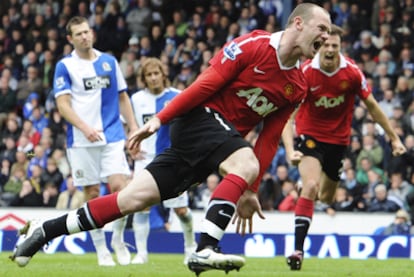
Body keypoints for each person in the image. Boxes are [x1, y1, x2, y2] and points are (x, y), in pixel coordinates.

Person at [11, 3, 332, 275]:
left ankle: (44, 231)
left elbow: (269, 138)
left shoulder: (297, 86)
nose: (326, 37)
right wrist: (159, 120)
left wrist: (251, 188)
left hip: (218, 142)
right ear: (298, 23)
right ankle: (206, 247)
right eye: (322, 27)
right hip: (196, 119)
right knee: (244, 159)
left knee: (131, 200)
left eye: (329, 31)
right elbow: (203, 86)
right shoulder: (252, 45)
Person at [281, 25, 407, 271]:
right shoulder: (306, 71)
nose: (329, 49)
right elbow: (287, 115)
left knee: (326, 197)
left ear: (341, 47)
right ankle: (297, 250)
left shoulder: (351, 72)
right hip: (310, 137)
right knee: (310, 186)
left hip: (338, 142)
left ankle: (306, 190)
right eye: (325, 45)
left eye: (334, 46)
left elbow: (372, 106)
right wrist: (288, 149)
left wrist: (394, 138)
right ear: (319, 46)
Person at [50, 16, 139, 266]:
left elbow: (123, 97)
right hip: (81, 139)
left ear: (93, 34)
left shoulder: (109, 62)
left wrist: (133, 128)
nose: (84, 37)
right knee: (91, 192)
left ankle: (118, 240)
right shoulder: (65, 66)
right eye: (78, 34)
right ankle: (101, 248)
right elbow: (62, 104)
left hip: (111, 134)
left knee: (120, 188)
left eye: (87, 32)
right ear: (70, 39)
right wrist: (85, 127)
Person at [129, 57, 197, 265]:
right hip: (145, 160)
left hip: (172, 160)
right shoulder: (137, 99)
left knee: (181, 210)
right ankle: (141, 254)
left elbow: (190, 126)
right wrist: (131, 145)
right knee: (141, 206)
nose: (153, 78)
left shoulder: (177, 96)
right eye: (149, 75)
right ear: (144, 78)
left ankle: (190, 247)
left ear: (163, 74)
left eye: (156, 73)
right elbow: (130, 126)